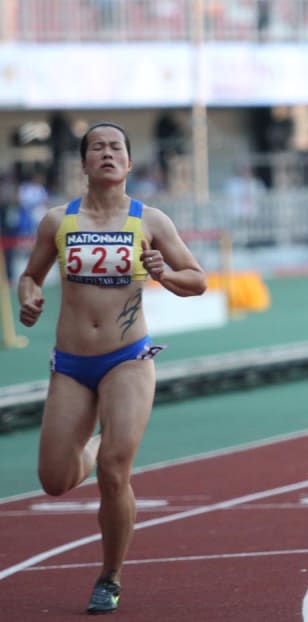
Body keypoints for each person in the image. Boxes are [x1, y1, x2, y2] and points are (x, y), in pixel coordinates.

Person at [17, 122, 207, 614]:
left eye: (116, 147)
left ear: (127, 162)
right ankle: (99, 442)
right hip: (72, 364)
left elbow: (198, 279)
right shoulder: (56, 222)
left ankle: (110, 575)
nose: (106, 153)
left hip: (127, 358)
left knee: (114, 471)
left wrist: (167, 273)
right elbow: (29, 277)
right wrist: (29, 297)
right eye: (96, 147)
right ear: (83, 163)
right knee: (55, 479)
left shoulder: (151, 221)